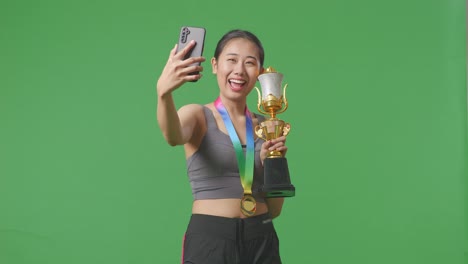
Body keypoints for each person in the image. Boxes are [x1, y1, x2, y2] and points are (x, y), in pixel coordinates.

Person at [156, 29, 288, 264]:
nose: (239, 70)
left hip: (262, 235)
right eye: (232, 60)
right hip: (211, 238)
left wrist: (272, 166)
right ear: (215, 65)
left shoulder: (268, 125)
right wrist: (164, 94)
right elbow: (173, 135)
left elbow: (275, 209)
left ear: (259, 73)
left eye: (250, 63)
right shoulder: (197, 115)